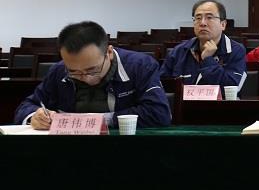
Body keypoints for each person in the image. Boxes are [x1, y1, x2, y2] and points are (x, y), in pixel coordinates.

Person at [15, 21, 171, 129]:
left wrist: (95, 121)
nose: (85, 77)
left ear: (109, 53)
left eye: (92, 70)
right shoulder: (59, 70)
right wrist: (34, 117)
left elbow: (159, 113)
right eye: (74, 71)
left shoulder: (140, 66)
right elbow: (26, 107)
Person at [162, 0, 247, 91]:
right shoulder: (179, 51)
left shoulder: (236, 51)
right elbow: (162, 85)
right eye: (198, 18)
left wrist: (207, 60)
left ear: (223, 24)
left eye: (209, 17)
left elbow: (231, 88)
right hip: (183, 100)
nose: (202, 23)